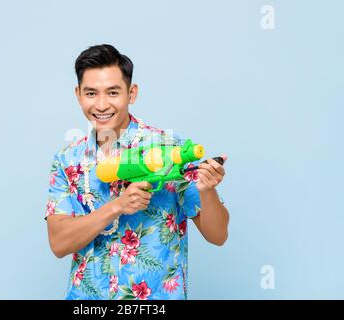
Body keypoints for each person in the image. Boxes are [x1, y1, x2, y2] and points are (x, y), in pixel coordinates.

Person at [45, 44, 229, 300]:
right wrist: (117, 206)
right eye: (91, 93)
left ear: (131, 93)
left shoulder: (169, 149)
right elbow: (59, 243)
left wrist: (208, 191)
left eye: (112, 92)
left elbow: (218, 235)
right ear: (78, 95)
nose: (101, 105)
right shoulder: (67, 160)